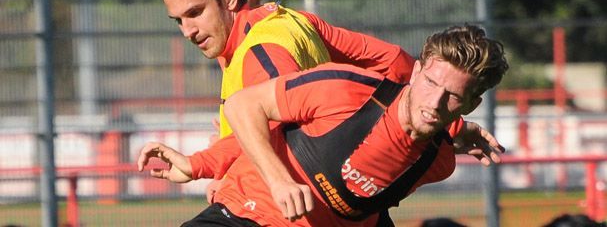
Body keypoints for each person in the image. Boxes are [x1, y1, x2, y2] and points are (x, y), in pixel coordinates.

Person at [138, 25, 509, 226]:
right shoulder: (345, 89)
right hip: (247, 213)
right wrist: (277, 179)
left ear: (471, 104)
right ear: (416, 70)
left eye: (452, 97)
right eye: (430, 84)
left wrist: (456, 132)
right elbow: (243, 104)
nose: (434, 102)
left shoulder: (438, 163)